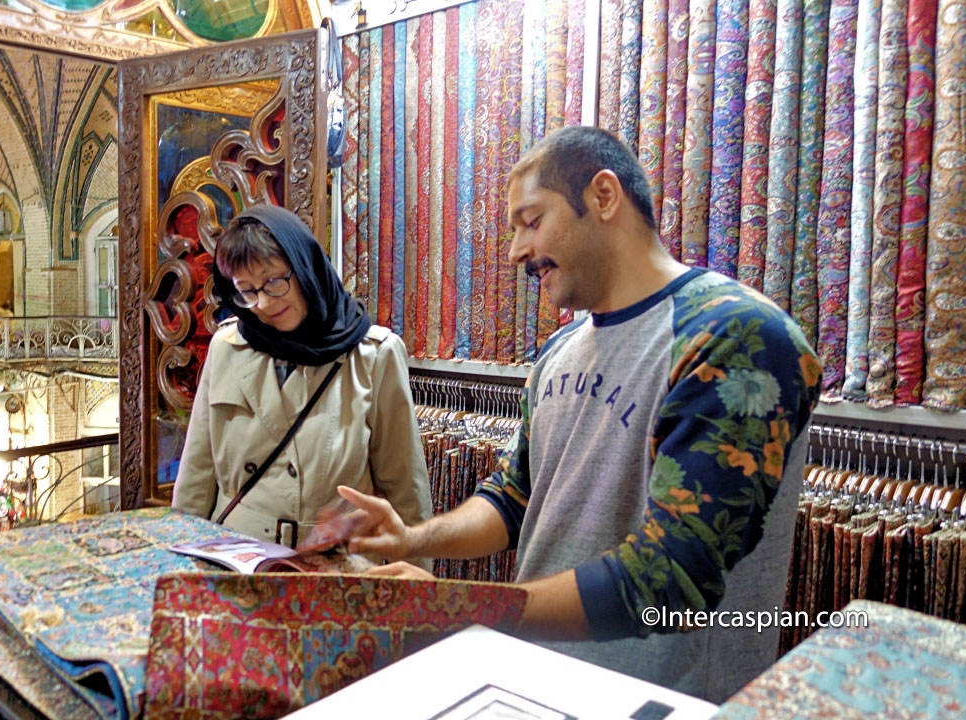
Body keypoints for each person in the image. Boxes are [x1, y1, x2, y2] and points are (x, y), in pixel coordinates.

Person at [339, 126, 821, 704]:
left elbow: (671, 578)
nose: (517, 250)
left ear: (603, 196)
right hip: (531, 686)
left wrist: (459, 607)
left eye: (532, 220)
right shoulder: (560, 351)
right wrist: (416, 537)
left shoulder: (734, 337)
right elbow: (515, 497)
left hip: (665, 700)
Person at [171, 204, 432, 551]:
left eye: (274, 281)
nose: (262, 302)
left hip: (334, 567)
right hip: (236, 560)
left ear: (305, 265)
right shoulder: (227, 347)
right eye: (246, 290)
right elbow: (196, 479)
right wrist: (179, 568)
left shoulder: (373, 354)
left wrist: (413, 589)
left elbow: (406, 493)